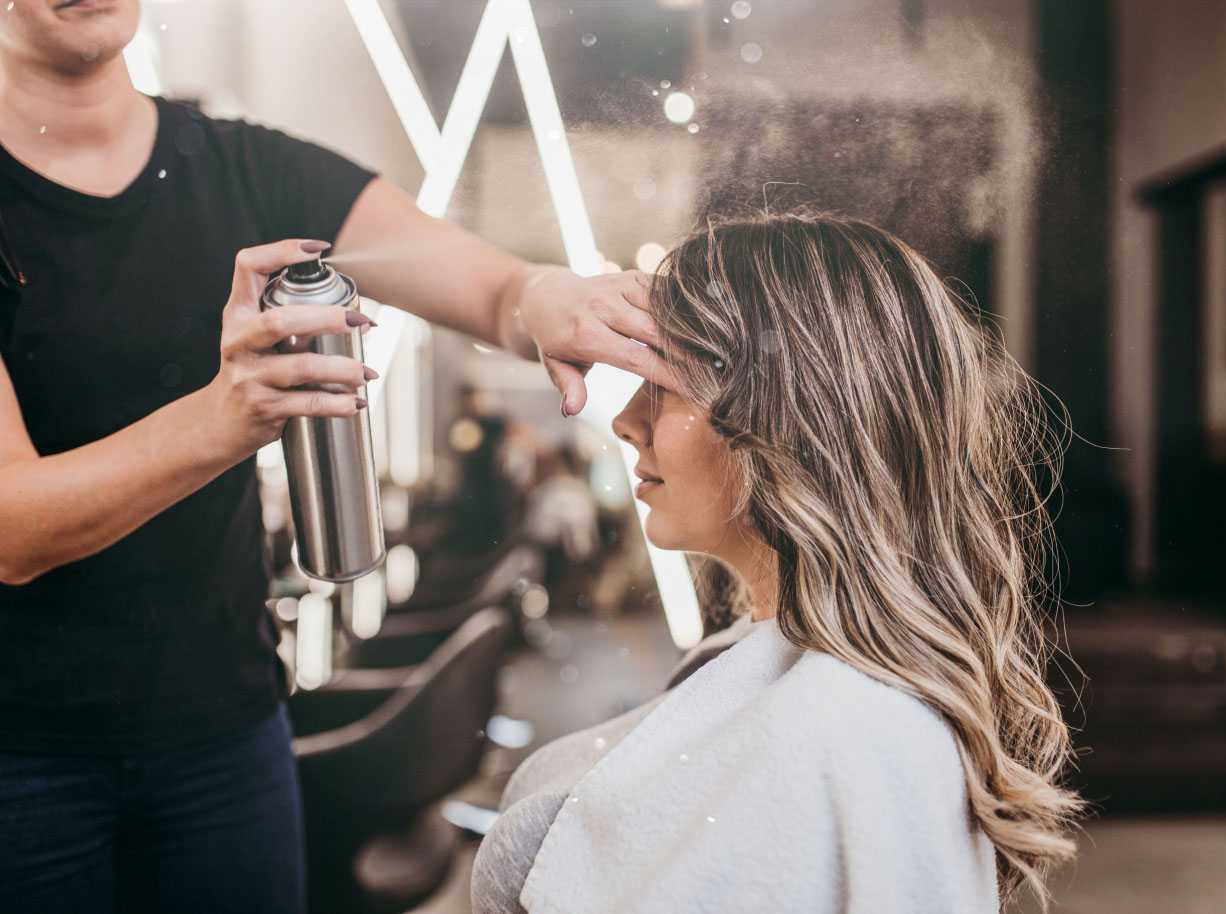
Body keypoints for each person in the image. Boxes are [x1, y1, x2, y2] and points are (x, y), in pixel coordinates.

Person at [0, 1, 672, 911]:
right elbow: (13, 530)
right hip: (22, 756)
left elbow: (492, 287)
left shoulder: (252, 170)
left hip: (229, 732)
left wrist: (549, 295)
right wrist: (220, 421)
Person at [472, 213, 1085, 913]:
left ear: (790, 419)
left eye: (663, 384)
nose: (624, 421)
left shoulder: (856, 733)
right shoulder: (780, 675)